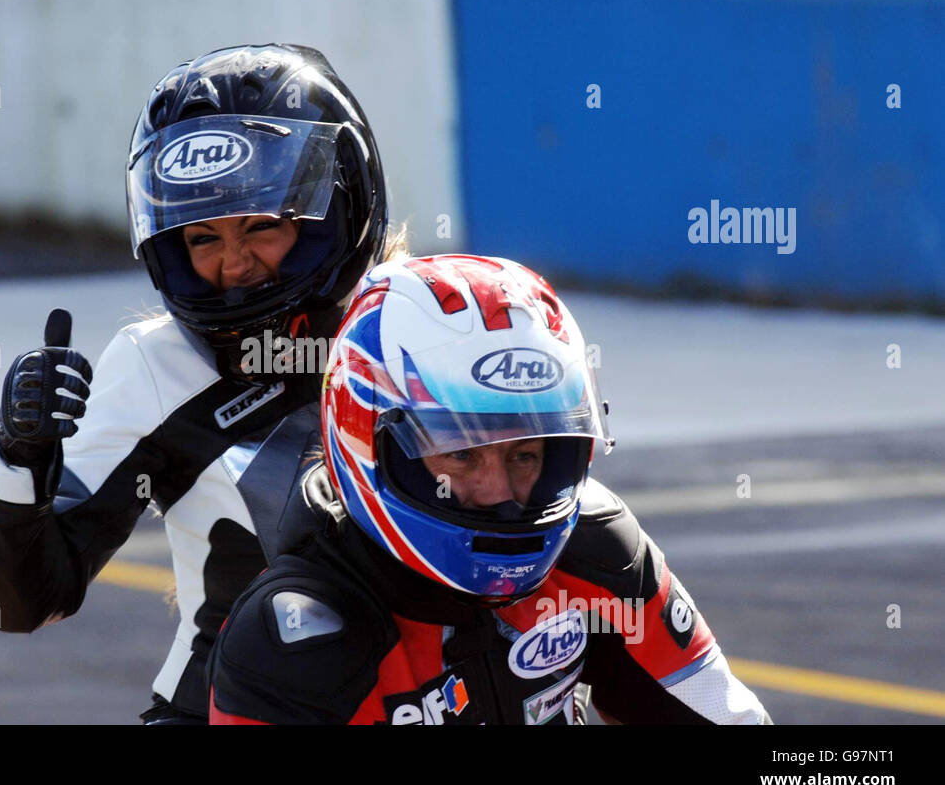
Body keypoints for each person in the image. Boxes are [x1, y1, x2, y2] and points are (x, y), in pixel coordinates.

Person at [0, 44, 402, 723]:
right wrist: (20, 464)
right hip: (230, 710)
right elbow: (11, 606)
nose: (234, 262)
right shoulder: (157, 367)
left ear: (332, 214)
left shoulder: (424, 323)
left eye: (261, 225)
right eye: (201, 237)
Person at [208, 254, 772, 725]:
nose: (499, 492)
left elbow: (726, 717)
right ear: (367, 440)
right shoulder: (291, 644)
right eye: (461, 454)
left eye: (525, 454)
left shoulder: (599, 553)